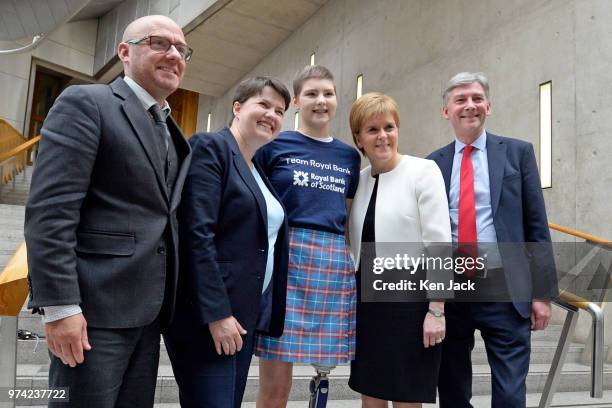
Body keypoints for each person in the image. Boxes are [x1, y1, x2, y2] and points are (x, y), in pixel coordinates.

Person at [24, 15, 192, 407]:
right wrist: (60, 307)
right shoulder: (87, 103)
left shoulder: (173, 132)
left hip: (148, 315)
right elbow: (51, 212)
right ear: (124, 52)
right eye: (159, 43)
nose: (173, 54)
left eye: (181, 49)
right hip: (92, 314)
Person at [427, 72, 558, 408]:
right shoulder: (432, 165)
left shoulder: (518, 153)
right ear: (446, 111)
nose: (470, 105)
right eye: (460, 100)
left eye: (476, 98)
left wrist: (542, 293)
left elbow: (536, 227)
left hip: (505, 287)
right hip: (452, 291)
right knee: (452, 391)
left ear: (488, 105)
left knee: (511, 394)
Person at [163, 76, 291, 408]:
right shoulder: (211, 147)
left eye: (279, 111)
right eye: (263, 104)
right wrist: (217, 314)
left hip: (242, 319)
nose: (272, 115)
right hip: (210, 319)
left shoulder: (256, 168)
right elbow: (196, 234)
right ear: (237, 107)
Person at [254, 65, 361, 407]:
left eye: (328, 94)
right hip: (285, 259)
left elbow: (346, 216)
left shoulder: (349, 156)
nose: (321, 101)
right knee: (276, 387)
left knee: (323, 375)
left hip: (330, 263)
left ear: (336, 100)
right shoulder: (273, 145)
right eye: (312, 94)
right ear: (297, 102)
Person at [347, 93, 451, 407]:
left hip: (412, 305)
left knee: (407, 398)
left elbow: (440, 245)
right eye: (372, 129)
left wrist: (437, 310)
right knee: (371, 395)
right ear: (359, 139)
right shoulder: (359, 181)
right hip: (368, 306)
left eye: (389, 127)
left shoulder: (423, 171)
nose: (383, 136)